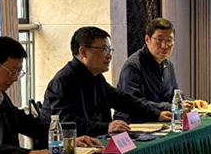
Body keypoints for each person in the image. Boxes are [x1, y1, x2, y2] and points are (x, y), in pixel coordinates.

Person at [40, 26, 172, 137]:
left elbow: (122, 100)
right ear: (83, 51)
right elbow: (67, 124)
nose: (109, 55)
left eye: (110, 50)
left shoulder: (96, 77)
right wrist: (106, 127)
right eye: (104, 50)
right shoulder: (64, 80)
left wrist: (156, 114)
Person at [114, 18, 206, 123]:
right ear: (147, 40)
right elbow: (134, 103)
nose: (164, 46)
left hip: (161, 121)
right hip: (134, 124)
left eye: (169, 40)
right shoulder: (133, 66)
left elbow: (174, 96)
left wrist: (191, 103)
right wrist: (172, 107)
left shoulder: (168, 65)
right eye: (159, 40)